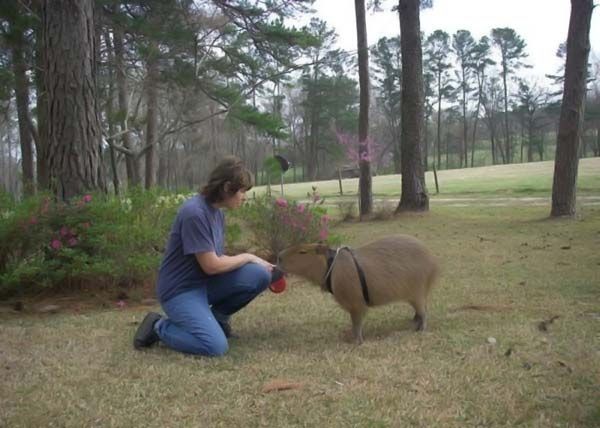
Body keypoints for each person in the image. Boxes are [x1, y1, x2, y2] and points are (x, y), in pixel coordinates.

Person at [133, 156, 276, 356]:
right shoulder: (195, 213)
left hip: (206, 284)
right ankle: (159, 327)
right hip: (180, 290)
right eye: (242, 191)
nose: (244, 197)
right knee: (214, 346)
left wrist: (258, 264)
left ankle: (216, 319)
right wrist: (247, 256)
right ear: (227, 187)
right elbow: (212, 265)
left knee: (260, 275)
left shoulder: (217, 213)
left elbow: (214, 258)